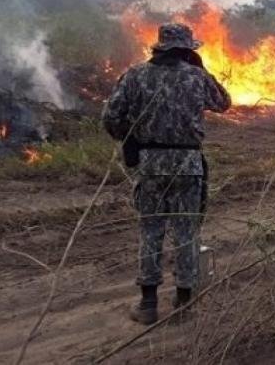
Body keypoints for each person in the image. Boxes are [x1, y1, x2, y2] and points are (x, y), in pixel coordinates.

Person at [102, 22, 231, 325]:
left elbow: (110, 117)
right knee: (186, 233)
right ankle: (184, 303)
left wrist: (128, 137)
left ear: (160, 46)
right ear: (187, 49)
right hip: (188, 165)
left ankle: (148, 304)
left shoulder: (135, 75)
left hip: (151, 164)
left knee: (151, 232)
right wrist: (201, 68)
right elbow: (224, 103)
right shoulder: (196, 77)